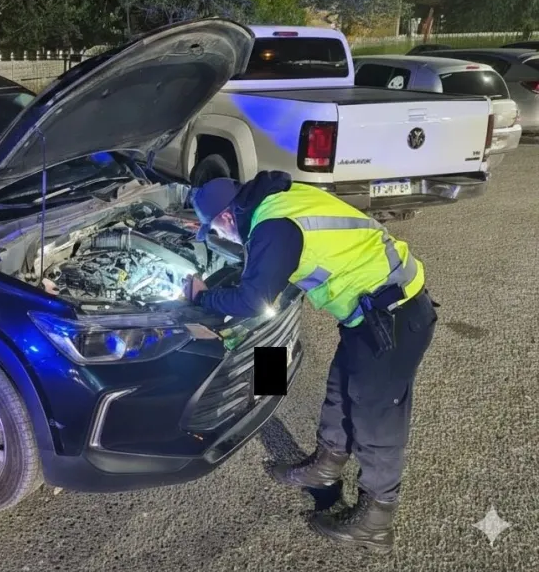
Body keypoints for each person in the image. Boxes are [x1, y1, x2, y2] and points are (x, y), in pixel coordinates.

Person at [184, 170, 437, 554]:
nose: (219, 238)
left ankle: (377, 519)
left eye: (215, 231)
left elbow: (253, 302)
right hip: (368, 314)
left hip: (396, 317)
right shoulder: (280, 198)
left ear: (225, 218)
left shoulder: (272, 226)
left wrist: (202, 297)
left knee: (376, 418)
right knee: (340, 393)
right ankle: (325, 465)